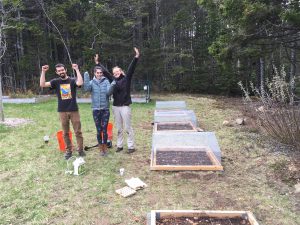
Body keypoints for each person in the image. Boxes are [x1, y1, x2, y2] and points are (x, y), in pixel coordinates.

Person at [94, 47, 140, 154]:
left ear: (121, 71)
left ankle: (131, 146)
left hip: (125, 106)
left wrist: (136, 57)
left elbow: (131, 68)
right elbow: (105, 72)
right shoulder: (113, 80)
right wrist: (97, 63)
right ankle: (119, 146)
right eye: (114, 72)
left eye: (117, 71)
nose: (116, 73)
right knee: (119, 128)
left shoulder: (126, 78)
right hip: (115, 107)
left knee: (128, 128)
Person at [40, 63, 85, 160]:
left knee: (78, 131)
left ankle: (80, 150)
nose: (61, 72)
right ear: (57, 72)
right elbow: (42, 84)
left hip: (73, 110)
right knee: (65, 132)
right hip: (62, 111)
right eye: (59, 71)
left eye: (62, 70)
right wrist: (43, 72)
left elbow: (80, 83)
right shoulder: (56, 82)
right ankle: (69, 150)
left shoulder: (72, 80)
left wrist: (77, 70)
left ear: (65, 70)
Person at [83, 66, 113, 156]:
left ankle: (105, 148)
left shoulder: (106, 81)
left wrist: (112, 85)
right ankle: (100, 147)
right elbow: (86, 89)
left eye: (101, 73)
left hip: (105, 109)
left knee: (104, 130)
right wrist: (86, 77)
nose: (99, 74)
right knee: (98, 130)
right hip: (96, 109)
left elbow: (108, 93)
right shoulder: (92, 83)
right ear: (95, 73)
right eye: (97, 73)